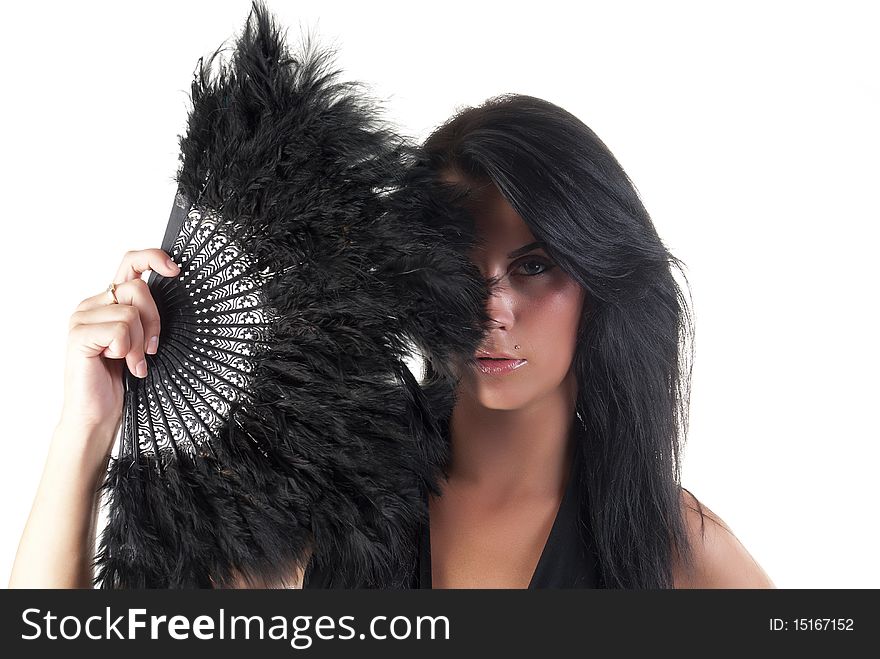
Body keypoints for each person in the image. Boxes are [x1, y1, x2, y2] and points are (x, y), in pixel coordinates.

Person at [8, 93, 774, 589]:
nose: (491, 307)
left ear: (598, 274)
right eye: (459, 266)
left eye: (534, 265)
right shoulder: (323, 500)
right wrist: (85, 428)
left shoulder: (674, 546)